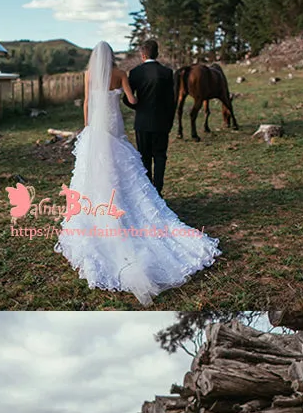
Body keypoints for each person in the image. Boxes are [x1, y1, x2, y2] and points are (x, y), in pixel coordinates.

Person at [54, 42, 220, 305]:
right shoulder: (120, 74)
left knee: (95, 167)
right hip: (113, 124)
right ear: (110, 57)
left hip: (96, 125)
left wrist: (88, 128)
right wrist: (133, 97)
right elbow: (131, 100)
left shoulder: (89, 75)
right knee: (123, 166)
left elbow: (87, 101)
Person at [124, 38, 176, 196]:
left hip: (142, 123)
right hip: (161, 122)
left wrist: (138, 107)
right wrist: (169, 122)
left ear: (142, 55)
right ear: (157, 53)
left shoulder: (135, 73)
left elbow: (127, 98)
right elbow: (171, 101)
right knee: (160, 157)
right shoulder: (167, 73)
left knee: (144, 158)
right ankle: (158, 190)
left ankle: (149, 193)